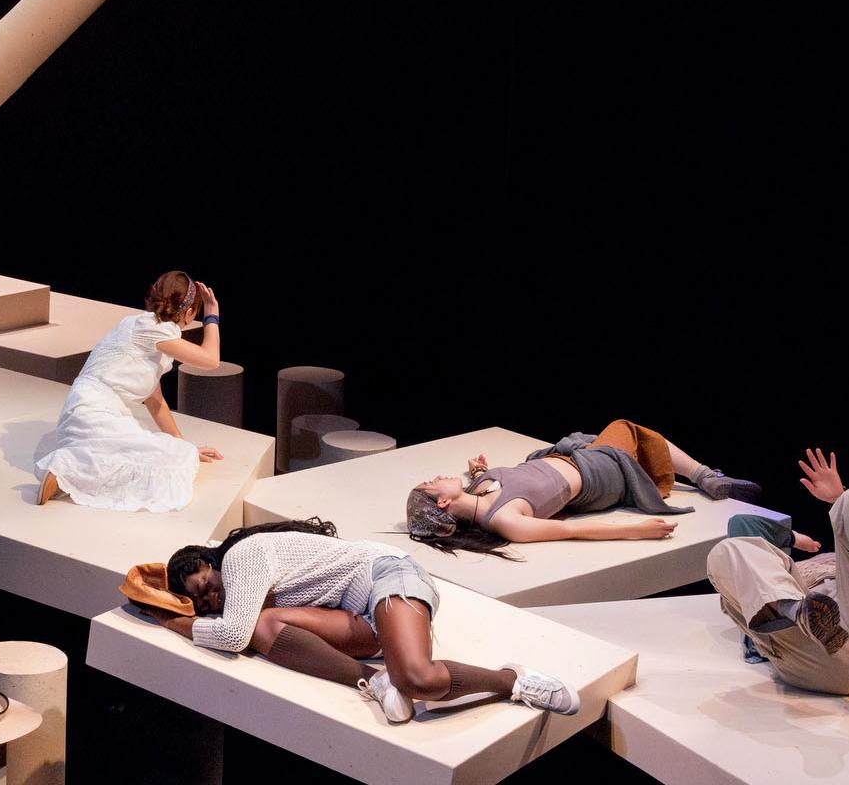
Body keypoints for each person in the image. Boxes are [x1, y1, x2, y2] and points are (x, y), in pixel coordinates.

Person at [161, 519, 581, 725]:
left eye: (205, 585)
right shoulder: (240, 589)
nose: (211, 598)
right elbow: (244, 629)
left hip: (388, 577)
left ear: (208, 561)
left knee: (416, 679)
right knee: (263, 625)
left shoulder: (240, 557)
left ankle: (513, 680)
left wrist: (172, 621)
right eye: (201, 602)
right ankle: (374, 680)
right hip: (357, 618)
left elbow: (232, 635)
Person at [705, 448, 849, 695]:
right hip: (817, 652)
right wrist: (792, 538)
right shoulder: (769, 579)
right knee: (727, 550)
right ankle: (796, 612)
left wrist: (839, 498)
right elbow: (742, 525)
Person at [405, 421, 763, 556]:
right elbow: (569, 530)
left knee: (625, 439)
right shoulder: (505, 520)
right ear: (444, 502)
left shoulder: (477, 488)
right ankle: (704, 476)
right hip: (597, 477)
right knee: (626, 429)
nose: (437, 476)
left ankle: (702, 475)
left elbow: (499, 481)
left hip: (574, 458)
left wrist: (479, 470)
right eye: (432, 483)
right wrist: (636, 530)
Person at [32, 272, 225, 511]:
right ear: (189, 313)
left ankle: (74, 468)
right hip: (93, 414)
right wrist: (212, 316)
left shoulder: (143, 328)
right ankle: (68, 467)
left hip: (84, 414)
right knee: (168, 466)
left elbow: (156, 402)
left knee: (178, 454)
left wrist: (182, 446)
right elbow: (211, 360)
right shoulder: (153, 330)